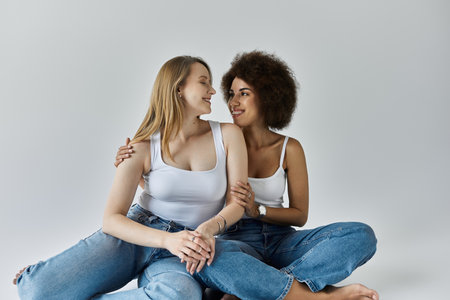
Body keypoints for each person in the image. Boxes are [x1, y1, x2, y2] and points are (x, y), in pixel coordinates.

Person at [14, 54, 376, 300]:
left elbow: (245, 203)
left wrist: (214, 226)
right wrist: (169, 238)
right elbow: (111, 219)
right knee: (35, 291)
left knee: (182, 296)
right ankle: (50, 276)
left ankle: (275, 291)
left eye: (239, 93)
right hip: (150, 235)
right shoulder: (141, 146)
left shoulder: (230, 136)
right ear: (177, 90)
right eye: (206, 83)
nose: (217, 94)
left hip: (198, 242)